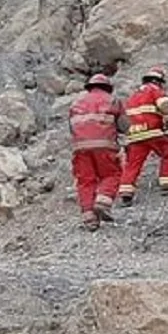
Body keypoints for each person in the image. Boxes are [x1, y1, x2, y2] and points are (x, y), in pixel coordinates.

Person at [68, 73, 128, 231]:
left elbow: (71, 128)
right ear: (107, 88)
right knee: (112, 174)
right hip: (105, 146)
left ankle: (89, 217)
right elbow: (124, 126)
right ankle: (103, 202)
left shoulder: (76, 103)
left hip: (80, 148)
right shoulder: (112, 100)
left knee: (85, 181)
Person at [119, 66, 168, 205]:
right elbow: (165, 105)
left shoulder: (133, 96)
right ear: (159, 81)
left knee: (132, 164)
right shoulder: (155, 90)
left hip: (135, 135)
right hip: (153, 132)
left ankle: (125, 192)